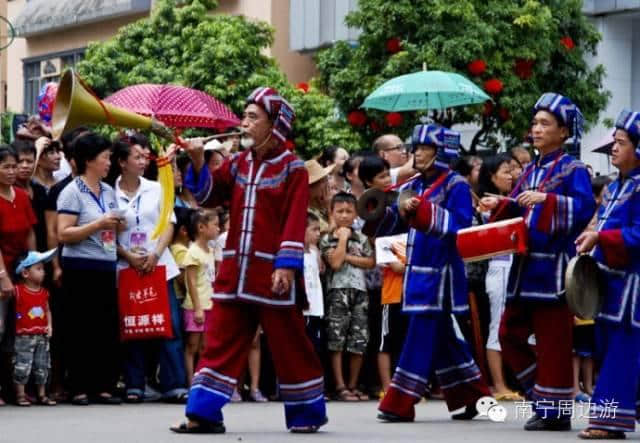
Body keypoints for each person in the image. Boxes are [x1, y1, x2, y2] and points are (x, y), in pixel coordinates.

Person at [173, 86, 327, 434]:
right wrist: (198, 161)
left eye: (252, 117)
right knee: (220, 341)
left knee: (291, 345)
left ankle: (306, 415)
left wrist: (285, 266)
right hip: (235, 272)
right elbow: (210, 196)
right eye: (244, 116)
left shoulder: (293, 169)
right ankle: (203, 413)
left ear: (275, 125)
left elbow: (293, 220)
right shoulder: (239, 164)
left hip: (272, 274)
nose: (244, 123)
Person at [480, 93, 596, 431]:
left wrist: (547, 200)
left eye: (545, 123)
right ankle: (546, 397)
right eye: (535, 123)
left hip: (554, 268)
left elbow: (584, 209)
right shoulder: (530, 169)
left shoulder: (573, 169)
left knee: (554, 342)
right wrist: (499, 204)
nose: (537, 128)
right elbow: (518, 208)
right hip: (524, 267)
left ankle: (555, 411)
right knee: (508, 333)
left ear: (563, 131)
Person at [366, 124, 491, 423]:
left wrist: (420, 209)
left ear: (440, 152)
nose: (416, 153)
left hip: (441, 276)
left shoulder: (456, 185)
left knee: (418, 338)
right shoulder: (418, 183)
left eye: (424, 148)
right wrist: (380, 210)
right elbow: (398, 216)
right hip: (418, 270)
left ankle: (399, 403)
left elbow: (460, 226)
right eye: (415, 147)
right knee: (445, 339)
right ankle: (474, 396)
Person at [574, 109, 640, 439]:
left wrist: (601, 237)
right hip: (610, 282)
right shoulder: (615, 187)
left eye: (621, 142)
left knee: (622, 351)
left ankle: (607, 421)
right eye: (613, 142)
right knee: (607, 349)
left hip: (634, 287)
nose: (613, 148)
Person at [109, 137, 188, 403]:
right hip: (126, 266)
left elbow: (169, 223)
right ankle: (134, 384)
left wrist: (155, 253)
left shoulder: (157, 188)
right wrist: (128, 255)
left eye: (146, 156)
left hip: (159, 264)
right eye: (137, 157)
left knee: (170, 324)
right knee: (132, 323)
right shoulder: (109, 193)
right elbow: (108, 233)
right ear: (122, 162)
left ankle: (174, 384)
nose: (144, 162)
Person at [56, 132, 125, 405]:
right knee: (80, 328)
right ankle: (79, 387)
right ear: (89, 160)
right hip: (80, 266)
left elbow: (113, 224)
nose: (109, 162)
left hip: (106, 265)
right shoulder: (72, 191)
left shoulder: (108, 191)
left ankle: (103, 385)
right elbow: (63, 234)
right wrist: (97, 225)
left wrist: (117, 224)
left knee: (104, 327)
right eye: (105, 157)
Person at [358, 155, 408, 397]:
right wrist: (392, 261)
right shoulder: (366, 207)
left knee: (403, 338)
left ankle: (404, 386)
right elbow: (375, 241)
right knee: (384, 339)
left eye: (388, 174)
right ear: (368, 182)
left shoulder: (399, 199)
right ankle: (387, 387)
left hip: (407, 275)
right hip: (386, 280)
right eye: (381, 176)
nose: (387, 179)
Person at [320, 192, 375, 401]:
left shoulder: (361, 238)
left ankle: (352, 384)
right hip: (338, 291)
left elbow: (371, 262)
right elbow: (334, 263)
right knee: (337, 339)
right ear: (332, 213)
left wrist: (347, 256)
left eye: (348, 211)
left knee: (358, 339)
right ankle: (340, 385)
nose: (344, 215)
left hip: (360, 291)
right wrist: (342, 239)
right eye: (339, 211)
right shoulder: (327, 238)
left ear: (356, 214)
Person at [476, 154, 522, 401]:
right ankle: (499, 385)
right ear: (491, 177)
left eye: (514, 169)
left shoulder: (513, 200)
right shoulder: (488, 204)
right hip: (500, 268)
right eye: (506, 170)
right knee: (497, 325)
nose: (511, 175)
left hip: (518, 268)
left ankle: (518, 380)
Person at [0, 145, 37, 406]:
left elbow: (30, 231)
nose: (12, 171)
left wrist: (35, 265)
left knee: (18, 332)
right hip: (2, 269)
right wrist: (3, 276)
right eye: (6, 167)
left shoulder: (23, 196)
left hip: (20, 267)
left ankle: (15, 388)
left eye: (14, 166)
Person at [13, 249, 57, 406]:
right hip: (23, 336)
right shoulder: (17, 291)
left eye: (43, 269)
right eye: (38, 269)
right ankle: (20, 394)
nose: (43, 272)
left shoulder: (44, 292)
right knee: (22, 365)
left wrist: (49, 325)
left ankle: (42, 394)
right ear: (25, 273)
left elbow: (47, 310)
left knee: (42, 365)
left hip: (42, 335)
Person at [182, 208, 218, 385]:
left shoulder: (211, 251)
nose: (218, 229)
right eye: (215, 225)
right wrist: (197, 307)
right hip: (196, 306)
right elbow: (191, 281)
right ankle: (190, 380)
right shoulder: (193, 251)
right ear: (201, 227)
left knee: (206, 346)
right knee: (192, 346)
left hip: (210, 304)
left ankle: (201, 378)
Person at [12, 140, 49, 252]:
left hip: (43, 250)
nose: (25, 166)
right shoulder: (8, 192)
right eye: (20, 161)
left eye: (29, 161)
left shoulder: (40, 190)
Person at [306, 159, 335, 235]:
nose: (327, 185)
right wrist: (329, 207)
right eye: (324, 181)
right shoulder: (306, 210)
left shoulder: (317, 204)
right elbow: (330, 233)